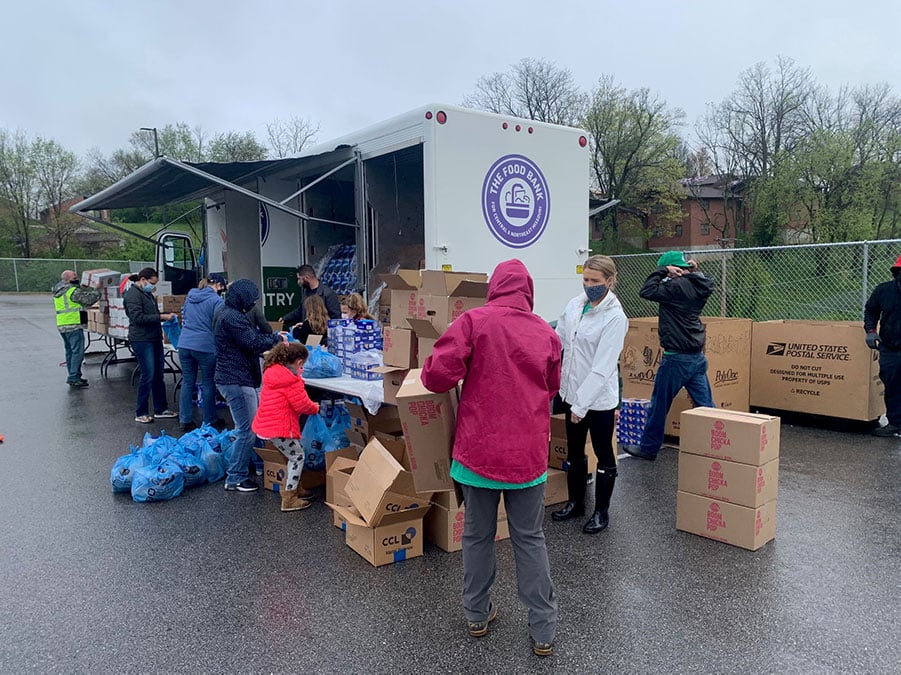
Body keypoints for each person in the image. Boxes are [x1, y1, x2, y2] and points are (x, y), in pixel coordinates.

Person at [421, 259, 561, 658]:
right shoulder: (547, 333)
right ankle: (543, 629)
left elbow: (436, 377)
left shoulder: (473, 322)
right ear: (528, 291)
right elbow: (552, 388)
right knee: (529, 539)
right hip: (527, 457)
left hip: (477, 452)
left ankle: (477, 614)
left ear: (494, 287)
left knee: (477, 536)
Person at [551, 255, 628, 534]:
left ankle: (601, 512)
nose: (589, 285)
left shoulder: (615, 317)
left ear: (609, 281)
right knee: (574, 450)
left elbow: (602, 368)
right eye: (585, 279)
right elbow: (558, 340)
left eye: (595, 280)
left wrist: (581, 406)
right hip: (571, 393)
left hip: (598, 400)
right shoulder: (575, 305)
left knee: (603, 452)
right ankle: (576, 503)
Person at [623, 251, 715, 461]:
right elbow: (703, 280)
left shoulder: (675, 287)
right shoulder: (699, 285)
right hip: (696, 356)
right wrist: (694, 271)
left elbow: (646, 291)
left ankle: (648, 448)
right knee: (706, 406)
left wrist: (663, 271)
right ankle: (718, 446)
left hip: (676, 358)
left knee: (659, 406)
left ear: (674, 270)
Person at [215, 278, 282, 492]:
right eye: (251, 300)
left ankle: (259, 464)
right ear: (242, 299)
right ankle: (236, 476)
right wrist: (276, 339)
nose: (253, 304)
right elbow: (252, 342)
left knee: (250, 426)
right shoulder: (233, 317)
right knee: (248, 429)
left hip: (231, 376)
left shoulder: (225, 312)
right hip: (236, 378)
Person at [252, 342, 321, 511]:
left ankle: (296, 487)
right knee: (297, 457)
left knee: (292, 455)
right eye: (302, 365)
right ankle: (289, 498)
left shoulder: (273, 372)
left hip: (267, 425)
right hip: (280, 427)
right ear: (299, 362)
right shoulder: (291, 381)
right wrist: (316, 407)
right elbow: (302, 405)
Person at [123, 268, 178, 423]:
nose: (153, 287)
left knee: (158, 374)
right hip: (142, 339)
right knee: (148, 375)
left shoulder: (147, 294)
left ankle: (161, 409)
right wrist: (161, 317)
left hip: (153, 337)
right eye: (152, 283)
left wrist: (164, 315)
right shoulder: (132, 295)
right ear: (143, 279)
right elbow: (138, 318)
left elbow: (150, 313)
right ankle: (141, 412)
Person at [177, 273, 226, 432]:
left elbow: (184, 316)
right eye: (222, 287)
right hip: (205, 346)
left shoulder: (190, 296)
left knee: (187, 382)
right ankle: (210, 419)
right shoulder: (216, 301)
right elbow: (219, 325)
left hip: (185, 344)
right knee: (208, 382)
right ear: (218, 285)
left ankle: (185, 420)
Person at [864, 254, 901, 437]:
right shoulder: (883, 290)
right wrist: (871, 331)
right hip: (891, 347)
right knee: (892, 385)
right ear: (897, 273)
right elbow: (871, 310)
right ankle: (895, 423)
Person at [52, 270, 99, 388]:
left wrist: (81, 288)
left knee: (70, 352)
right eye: (74, 277)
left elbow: (75, 296)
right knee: (77, 352)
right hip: (73, 325)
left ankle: (73, 374)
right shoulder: (72, 291)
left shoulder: (59, 290)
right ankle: (74, 377)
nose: (76, 278)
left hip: (62, 325)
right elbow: (89, 300)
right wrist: (97, 289)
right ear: (68, 280)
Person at [280, 264, 341, 329]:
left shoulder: (328, 294)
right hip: (307, 331)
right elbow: (300, 311)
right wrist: (285, 318)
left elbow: (335, 318)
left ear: (307, 277)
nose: (298, 282)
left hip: (323, 332)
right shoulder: (306, 292)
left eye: (299, 278)